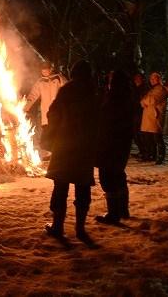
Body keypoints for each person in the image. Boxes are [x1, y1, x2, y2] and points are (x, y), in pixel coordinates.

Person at [43, 60, 98, 244]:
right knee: (82, 188)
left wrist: (54, 131)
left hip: (65, 144)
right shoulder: (93, 92)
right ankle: (80, 229)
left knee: (61, 187)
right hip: (84, 146)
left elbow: (53, 113)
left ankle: (58, 226)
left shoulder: (67, 91)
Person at [95, 70, 134, 224]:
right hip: (121, 143)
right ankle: (123, 209)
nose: (108, 82)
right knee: (118, 175)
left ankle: (113, 214)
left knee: (108, 177)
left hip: (110, 143)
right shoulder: (126, 97)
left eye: (110, 80)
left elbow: (106, 122)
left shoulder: (114, 99)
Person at [24, 61, 67, 155]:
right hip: (46, 114)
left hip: (58, 113)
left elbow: (67, 91)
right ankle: (51, 154)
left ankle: (59, 154)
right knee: (48, 135)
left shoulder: (59, 78)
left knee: (58, 134)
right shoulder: (40, 82)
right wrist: (25, 108)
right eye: (42, 70)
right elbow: (33, 95)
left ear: (50, 69)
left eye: (46, 69)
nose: (44, 71)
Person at [140, 72, 168, 164]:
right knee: (149, 137)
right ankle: (152, 154)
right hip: (149, 117)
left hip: (155, 117)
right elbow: (143, 100)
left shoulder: (161, 89)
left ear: (158, 79)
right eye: (151, 79)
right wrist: (145, 101)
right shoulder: (152, 89)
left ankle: (160, 156)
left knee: (157, 138)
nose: (151, 80)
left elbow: (151, 100)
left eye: (154, 79)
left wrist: (145, 101)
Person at [132, 72, 148, 159]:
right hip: (135, 113)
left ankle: (145, 151)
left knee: (140, 134)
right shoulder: (135, 88)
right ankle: (141, 151)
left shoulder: (144, 88)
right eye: (136, 78)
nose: (136, 80)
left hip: (141, 113)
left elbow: (143, 100)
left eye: (138, 78)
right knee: (136, 134)